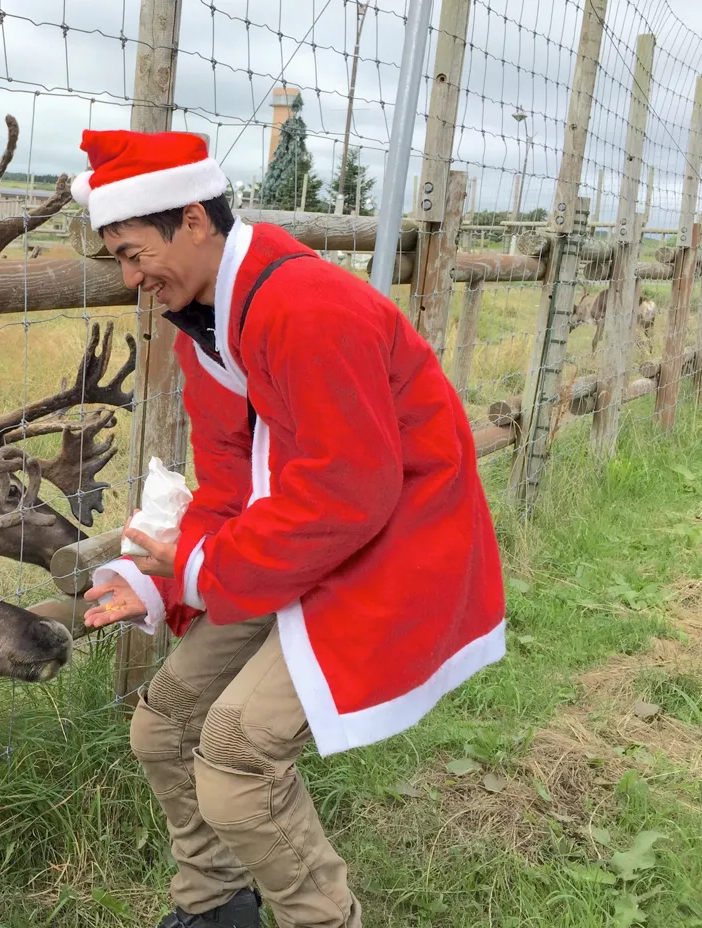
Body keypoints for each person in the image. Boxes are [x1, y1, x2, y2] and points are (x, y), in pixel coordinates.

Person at [73, 128, 506, 928]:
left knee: (238, 757)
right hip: (303, 546)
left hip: (394, 550)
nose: (133, 280)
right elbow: (234, 481)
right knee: (164, 724)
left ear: (195, 220)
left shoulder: (307, 308)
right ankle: (215, 908)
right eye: (121, 262)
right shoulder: (208, 324)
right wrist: (160, 574)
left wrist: (204, 570)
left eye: (136, 254)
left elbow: (350, 489)